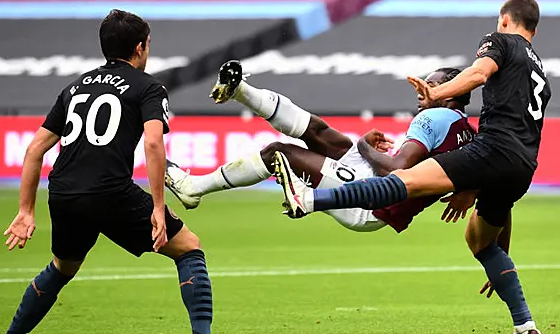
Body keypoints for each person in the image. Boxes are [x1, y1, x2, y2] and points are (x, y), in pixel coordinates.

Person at [275, 0, 551, 334]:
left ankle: (312, 199)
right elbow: (503, 199)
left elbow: (480, 72)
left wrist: (437, 94)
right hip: (523, 167)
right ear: (535, 30)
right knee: (479, 241)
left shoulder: (499, 41)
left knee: (404, 181)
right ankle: (525, 325)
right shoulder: (539, 70)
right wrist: (503, 264)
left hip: (493, 149)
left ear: (506, 21)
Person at [0, 10, 236, 334]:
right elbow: (153, 144)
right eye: (148, 45)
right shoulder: (148, 87)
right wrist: (158, 207)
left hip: (65, 192)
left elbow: (34, 150)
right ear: (139, 47)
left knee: (62, 267)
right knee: (189, 248)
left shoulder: (75, 88)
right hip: (110, 192)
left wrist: (26, 211)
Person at [165, 62, 478, 232]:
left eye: (431, 84)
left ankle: (194, 188)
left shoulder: (434, 117)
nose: (421, 88)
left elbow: (396, 171)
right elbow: (489, 170)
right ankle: (241, 90)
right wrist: (472, 191)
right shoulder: (467, 131)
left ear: (451, 92)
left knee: (280, 153)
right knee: (319, 132)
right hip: (376, 188)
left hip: (370, 203)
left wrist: (364, 147)